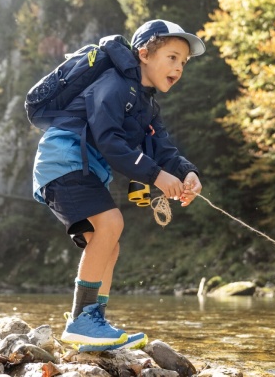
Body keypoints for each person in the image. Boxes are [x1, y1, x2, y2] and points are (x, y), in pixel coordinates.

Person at [32, 19, 205, 351]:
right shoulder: (112, 85)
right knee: (111, 223)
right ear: (143, 53)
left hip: (84, 169)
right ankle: (82, 319)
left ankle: (93, 325)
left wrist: (187, 173)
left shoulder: (148, 106)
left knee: (109, 244)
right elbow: (109, 141)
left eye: (183, 62)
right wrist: (155, 176)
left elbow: (164, 149)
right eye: (172, 57)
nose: (179, 67)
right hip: (63, 160)